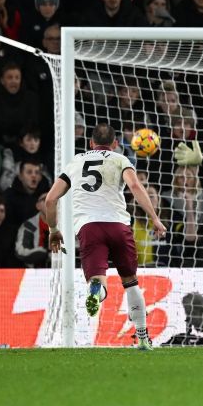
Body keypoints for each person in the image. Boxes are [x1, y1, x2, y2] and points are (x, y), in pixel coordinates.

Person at [43, 123, 167, 350]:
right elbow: (135, 186)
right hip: (119, 226)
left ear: (91, 143)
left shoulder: (75, 162)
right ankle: (141, 337)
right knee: (130, 282)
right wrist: (155, 218)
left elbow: (50, 200)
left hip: (89, 227)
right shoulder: (120, 159)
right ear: (116, 144)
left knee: (97, 280)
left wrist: (53, 230)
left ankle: (97, 290)